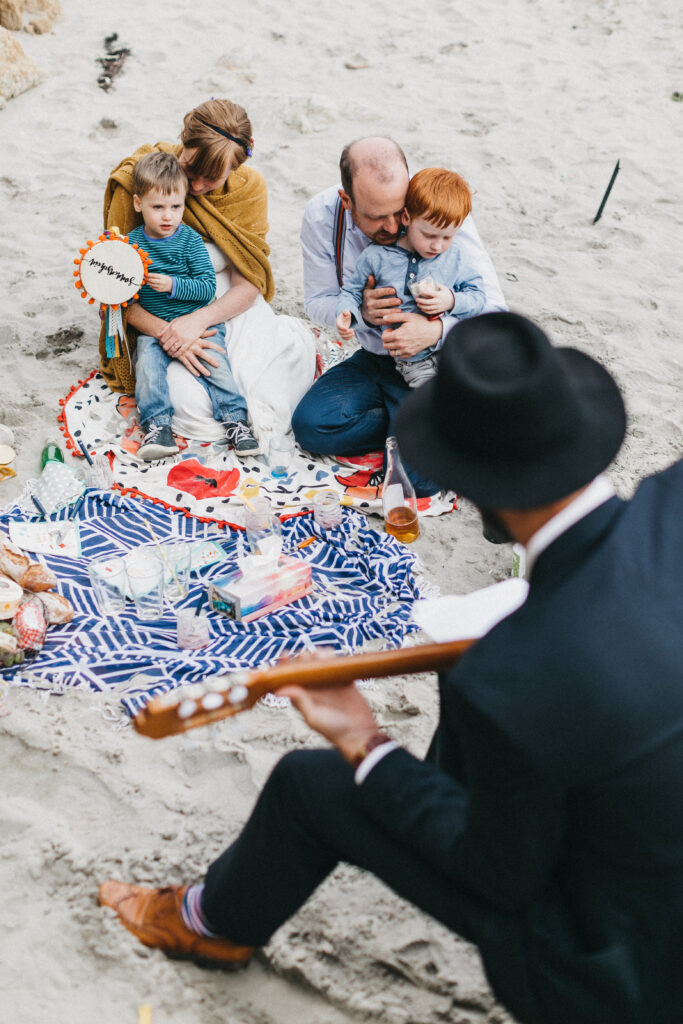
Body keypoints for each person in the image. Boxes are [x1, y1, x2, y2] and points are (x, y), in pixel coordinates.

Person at [99, 312, 683, 1024]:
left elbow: (496, 875)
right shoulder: (669, 501)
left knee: (308, 785)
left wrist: (363, 740)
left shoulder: (509, 681)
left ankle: (204, 925)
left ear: (474, 487)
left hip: (619, 981)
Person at [293, 136, 506, 494]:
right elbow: (318, 300)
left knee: (417, 483)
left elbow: (495, 310)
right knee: (311, 427)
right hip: (376, 359)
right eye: (377, 217)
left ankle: (424, 424)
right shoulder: (321, 217)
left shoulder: (435, 208)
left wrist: (436, 329)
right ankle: (414, 425)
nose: (394, 227)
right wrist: (360, 311)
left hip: (434, 363)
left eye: (400, 212)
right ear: (347, 201)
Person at [99, 98, 316, 446]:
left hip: (230, 307)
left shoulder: (249, 190)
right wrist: (172, 334)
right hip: (158, 315)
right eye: (189, 169)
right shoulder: (143, 180)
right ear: (183, 142)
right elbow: (114, 291)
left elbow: (249, 283)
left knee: (266, 383)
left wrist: (197, 322)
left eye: (212, 179)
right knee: (189, 407)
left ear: (235, 169)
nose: (197, 187)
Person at [128, 152, 260, 460]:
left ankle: (236, 422)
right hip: (155, 327)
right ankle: (158, 427)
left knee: (216, 366)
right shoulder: (132, 244)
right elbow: (124, 294)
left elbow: (206, 288)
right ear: (138, 204)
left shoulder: (189, 241)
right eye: (157, 207)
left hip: (197, 322)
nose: (167, 216)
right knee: (147, 369)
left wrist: (173, 285)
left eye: (176, 207)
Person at [336, 167, 485, 388]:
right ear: (407, 217)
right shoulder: (376, 256)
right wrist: (347, 313)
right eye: (429, 235)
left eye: (447, 237)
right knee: (431, 403)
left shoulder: (456, 255)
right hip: (413, 362)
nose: (437, 245)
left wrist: (451, 300)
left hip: (454, 349)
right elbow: (351, 291)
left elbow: (479, 298)